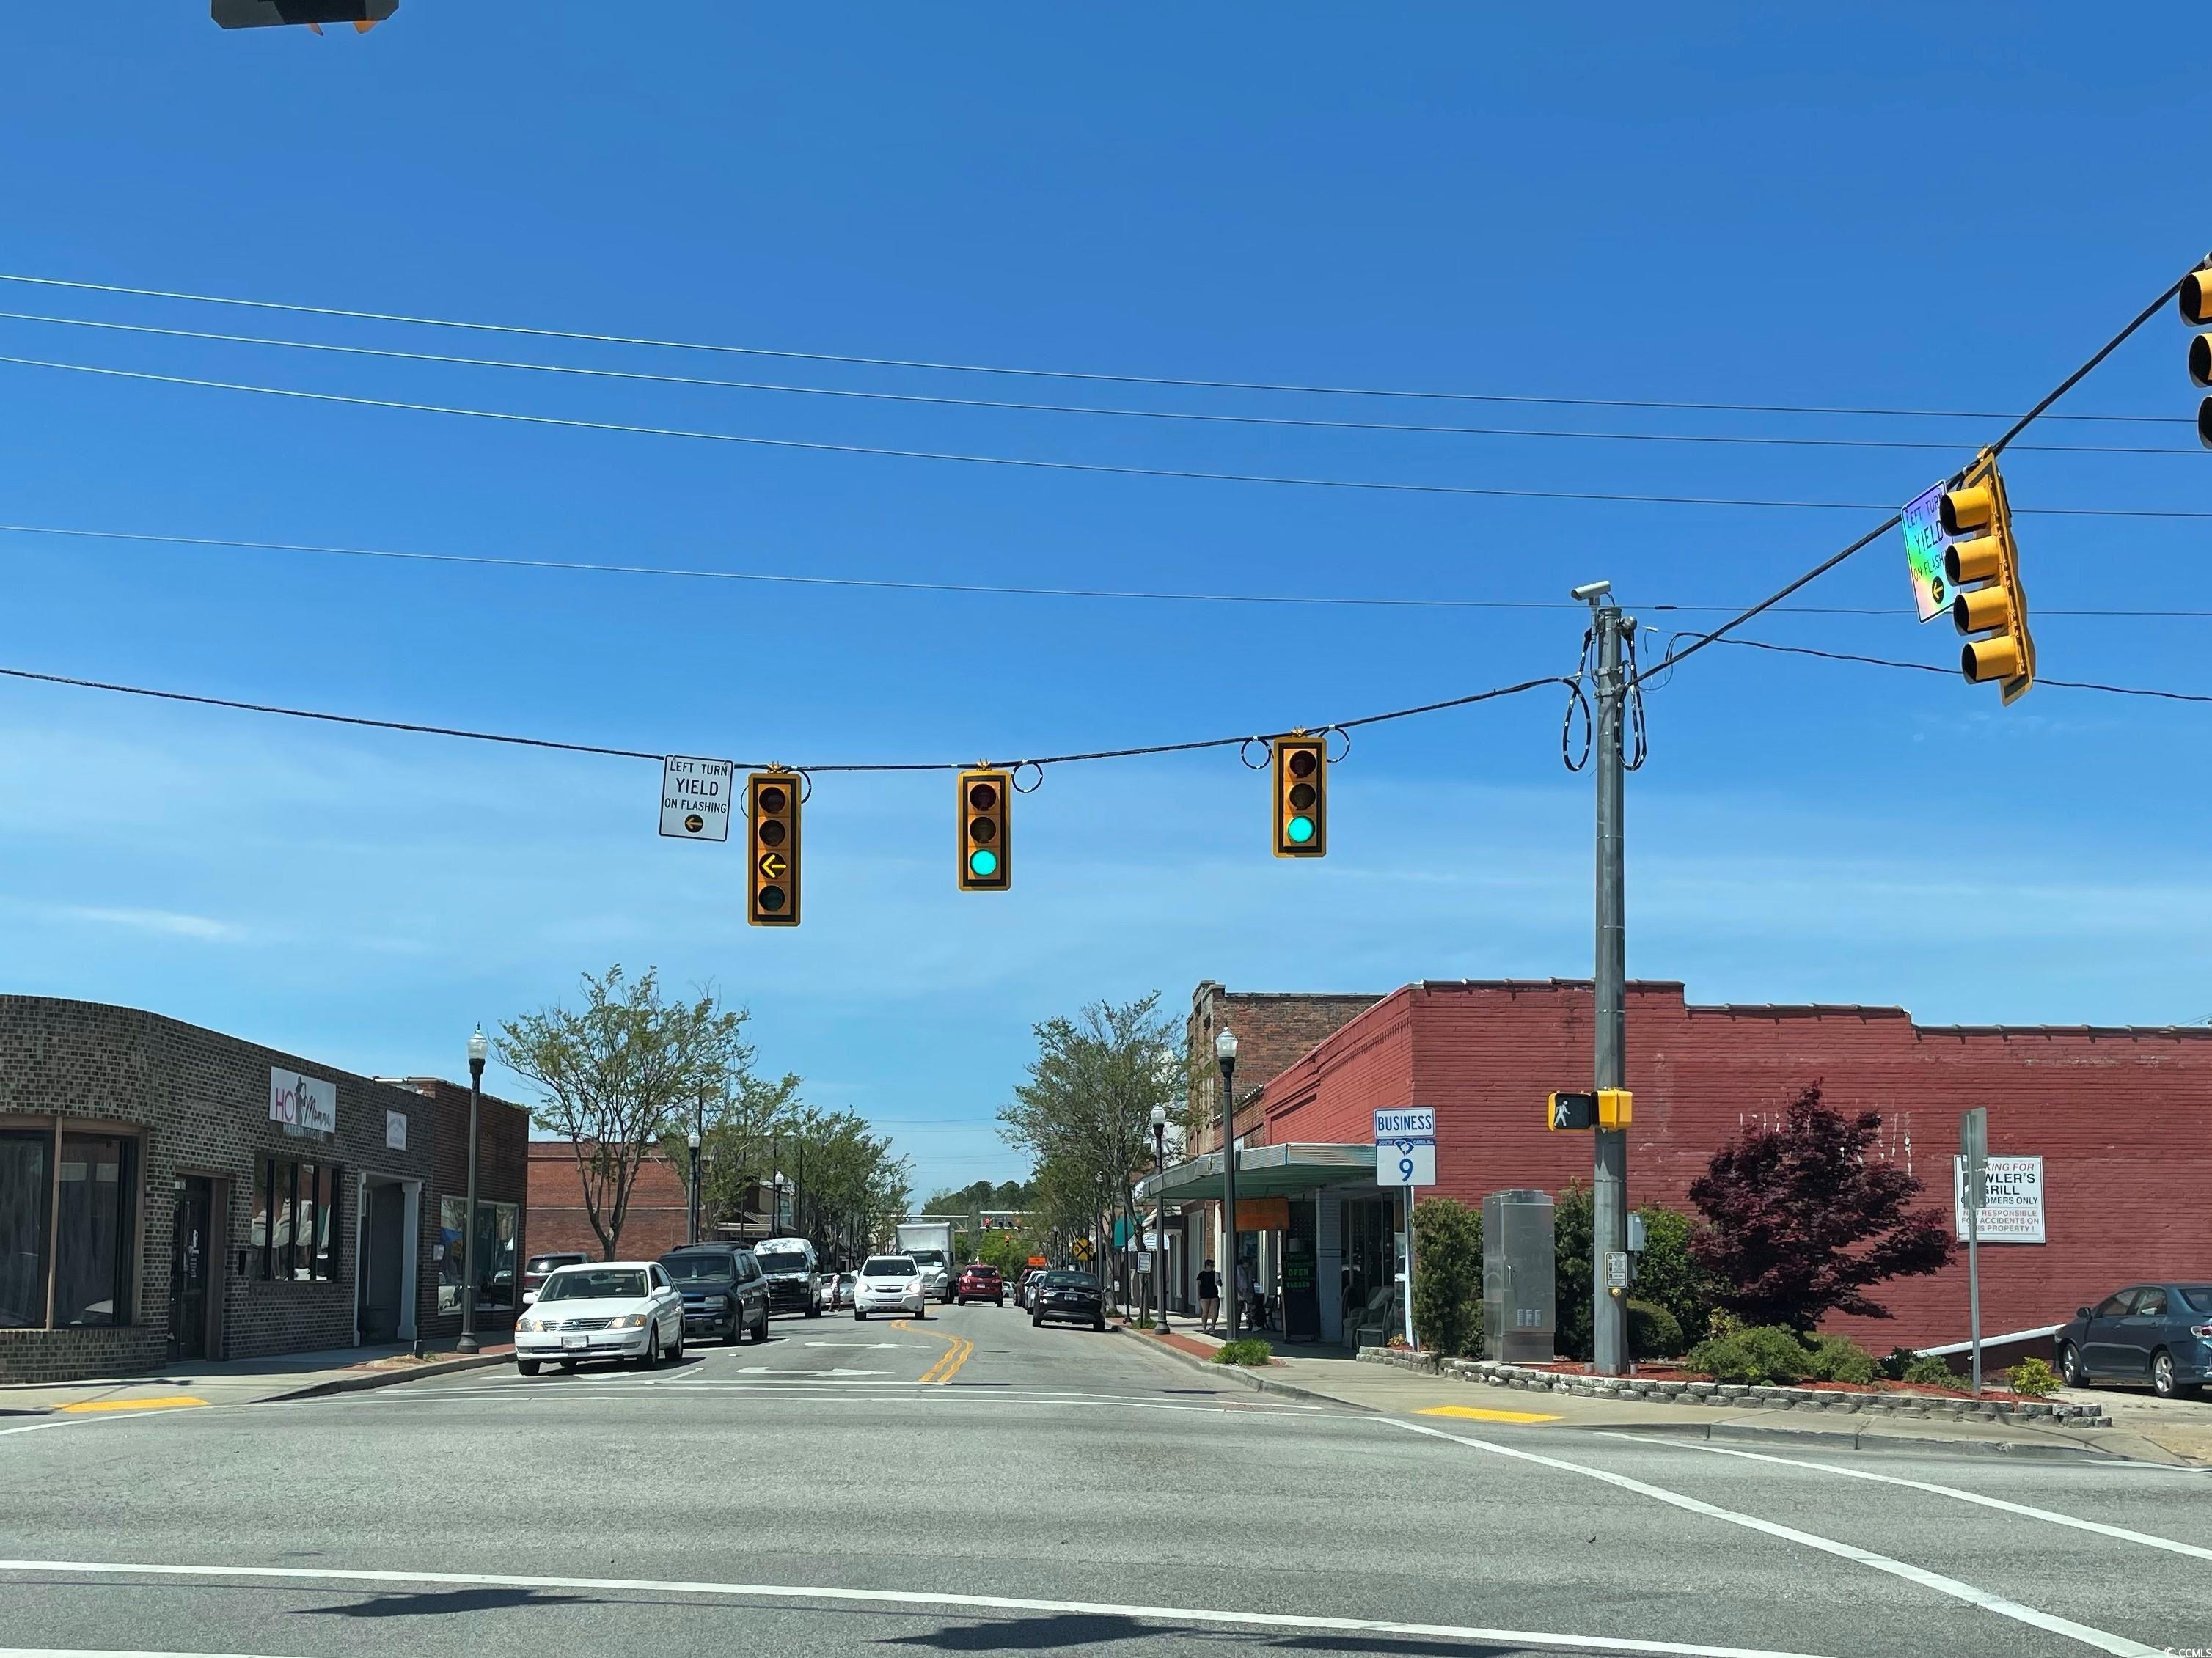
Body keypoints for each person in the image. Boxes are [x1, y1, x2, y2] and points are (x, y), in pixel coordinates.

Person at [1196, 1258, 1220, 1332]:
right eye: (1211, 1266)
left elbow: (1220, 1284)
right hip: (1204, 1295)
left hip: (1214, 1294)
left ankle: (1213, 1326)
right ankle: (1204, 1328)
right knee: (1205, 1312)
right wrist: (1198, 1294)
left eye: (1213, 1266)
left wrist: (1219, 1282)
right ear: (1207, 1265)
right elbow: (1198, 1285)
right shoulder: (1201, 1274)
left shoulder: (1215, 1274)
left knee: (1215, 1312)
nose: (1212, 1267)